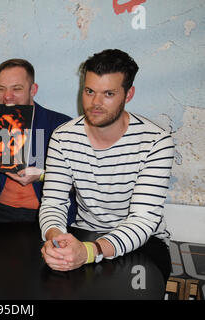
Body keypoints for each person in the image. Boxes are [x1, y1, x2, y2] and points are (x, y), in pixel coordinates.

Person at [39, 49, 174, 283]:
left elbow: (142, 220)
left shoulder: (156, 141)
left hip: (144, 242)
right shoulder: (63, 137)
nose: (95, 103)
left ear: (128, 94)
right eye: (89, 91)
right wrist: (57, 241)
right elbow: (53, 202)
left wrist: (90, 252)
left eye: (108, 93)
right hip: (83, 232)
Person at [0, 58, 76, 225]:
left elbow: (78, 185)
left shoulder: (61, 125)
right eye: (1, 89)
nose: (7, 96)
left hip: (44, 213)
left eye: (16, 89)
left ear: (33, 89)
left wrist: (40, 176)